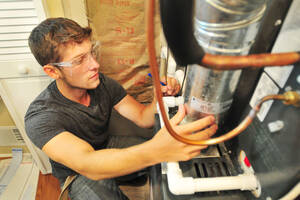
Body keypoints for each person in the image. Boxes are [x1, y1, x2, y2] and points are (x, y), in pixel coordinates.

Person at [25, 18, 217, 200]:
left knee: (161, 153)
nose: (95, 65)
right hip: (79, 172)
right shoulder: (40, 117)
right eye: (79, 60)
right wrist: (156, 151)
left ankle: (129, 174)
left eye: (92, 53)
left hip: (105, 145)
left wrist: (161, 96)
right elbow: (88, 163)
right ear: (52, 71)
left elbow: (143, 117)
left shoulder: (101, 84)